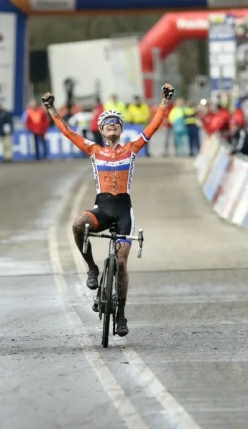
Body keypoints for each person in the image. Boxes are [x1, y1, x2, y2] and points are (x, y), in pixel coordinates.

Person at [41, 83, 175, 336]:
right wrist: (51, 109)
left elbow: (154, 126)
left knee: (122, 263)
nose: (112, 125)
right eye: (107, 123)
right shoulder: (94, 150)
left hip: (124, 211)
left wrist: (164, 102)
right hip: (102, 207)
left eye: (116, 122)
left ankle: (122, 316)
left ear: (122, 129)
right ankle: (92, 267)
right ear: (101, 130)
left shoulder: (131, 149)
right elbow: (68, 132)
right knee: (78, 224)